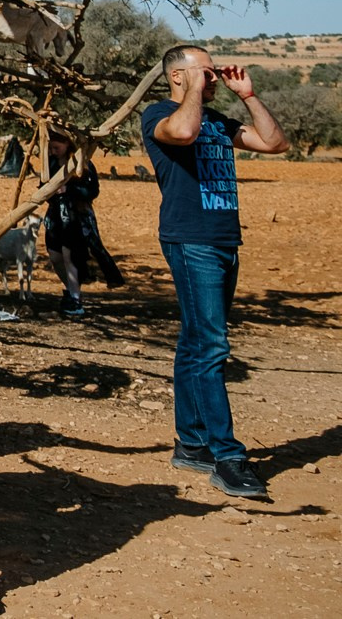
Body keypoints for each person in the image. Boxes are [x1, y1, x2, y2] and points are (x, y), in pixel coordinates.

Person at [142, 44, 287, 500]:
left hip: (224, 240)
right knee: (211, 346)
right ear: (177, 76)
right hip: (191, 241)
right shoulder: (159, 115)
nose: (214, 79)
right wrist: (195, 90)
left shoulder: (219, 121)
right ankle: (227, 457)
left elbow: (275, 143)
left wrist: (248, 96)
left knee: (196, 342)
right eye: (204, 72)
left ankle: (192, 444)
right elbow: (183, 132)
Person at [40, 133, 122, 317]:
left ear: (67, 144)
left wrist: (69, 189)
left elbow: (92, 191)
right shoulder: (50, 164)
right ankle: (72, 290)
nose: (53, 151)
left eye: (56, 148)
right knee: (55, 256)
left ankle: (75, 299)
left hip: (76, 216)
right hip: (55, 216)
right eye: (51, 148)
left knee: (70, 256)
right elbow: (43, 186)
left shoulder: (82, 163)